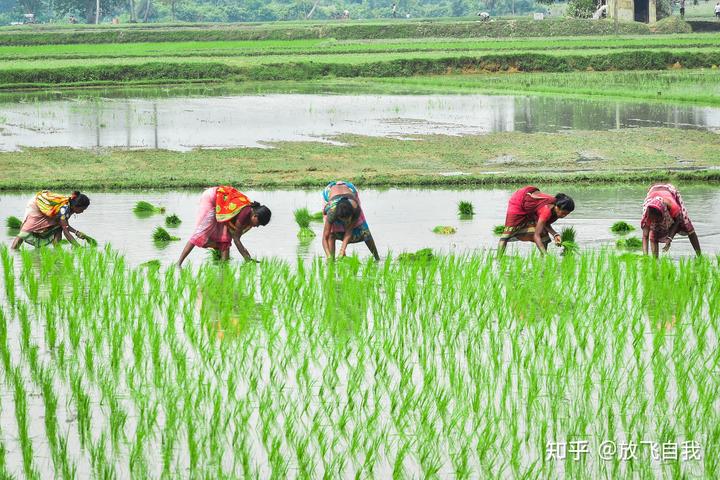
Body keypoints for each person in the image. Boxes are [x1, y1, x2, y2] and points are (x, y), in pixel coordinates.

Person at [177, 186, 271, 266]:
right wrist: (247, 259)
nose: (257, 226)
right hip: (212, 198)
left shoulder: (250, 214)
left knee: (225, 240)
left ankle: (223, 271)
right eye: (258, 223)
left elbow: (234, 237)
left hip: (222, 206)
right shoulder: (245, 214)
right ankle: (178, 264)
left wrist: (248, 258)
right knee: (200, 233)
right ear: (255, 216)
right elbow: (236, 239)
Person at [498, 186, 575, 255]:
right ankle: (498, 259)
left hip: (531, 205)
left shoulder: (556, 210)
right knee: (507, 234)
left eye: (567, 214)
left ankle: (543, 260)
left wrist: (555, 235)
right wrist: (546, 255)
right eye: (563, 213)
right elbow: (536, 235)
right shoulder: (547, 210)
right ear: (557, 207)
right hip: (519, 200)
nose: (564, 216)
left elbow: (545, 223)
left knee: (544, 234)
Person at [11, 190, 91, 249]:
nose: (82, 212)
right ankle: (13, 250)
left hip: (49, 211)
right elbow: (66, 232)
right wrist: (78, 246)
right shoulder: (64, 209)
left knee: (58, 227)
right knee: (25, 231)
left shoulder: (70, 207)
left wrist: (76, 232)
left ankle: (57, 249)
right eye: (82, 209)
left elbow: (65, 225)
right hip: (37, 205)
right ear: (75, 206)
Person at [322, 181, 379, 260]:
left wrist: (342, 250)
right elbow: (325, 237)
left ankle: (377, 258)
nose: (345, 222)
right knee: (331, 234)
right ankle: (331, 260)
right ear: (338, 216)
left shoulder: (355, 208)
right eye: (343, 220)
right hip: (330, 192)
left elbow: (349, 230)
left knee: (365, 232)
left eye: (347, 219)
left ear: (351, 214)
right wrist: (328, 256)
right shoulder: (332, 212)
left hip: (350, 190)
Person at [641, 183, 700, 257]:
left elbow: (678, 220)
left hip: (669, 191)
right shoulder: (647, 213)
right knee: (653, 232)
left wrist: (670, 238)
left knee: (686, 224)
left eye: (657, 220)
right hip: (653, 193)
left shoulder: (673, 206)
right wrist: (645, 256)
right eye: (653, 220)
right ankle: (655, 262)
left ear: (663, 214)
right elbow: (645, 236)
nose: (655, 222)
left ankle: (699, 256)